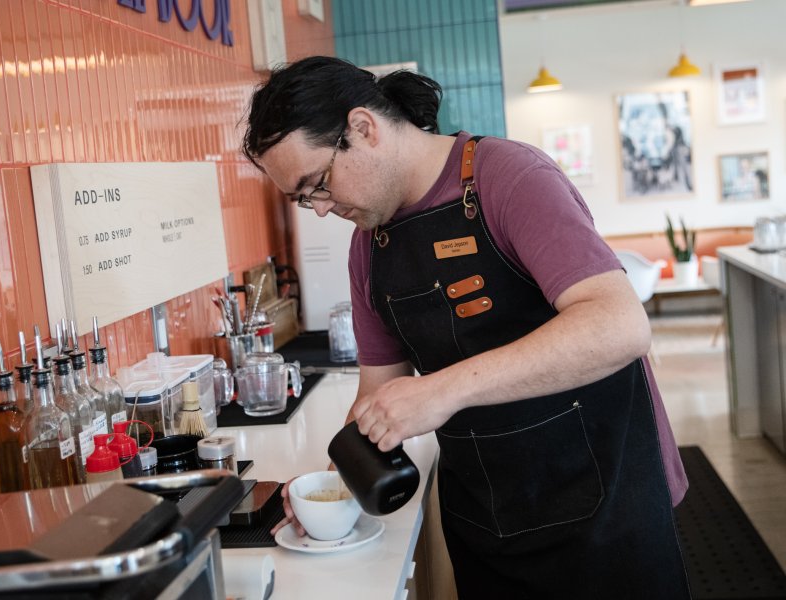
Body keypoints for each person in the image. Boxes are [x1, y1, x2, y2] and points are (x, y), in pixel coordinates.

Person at [242, 56, 691, 599]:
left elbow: (619, 323)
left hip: (607, 505)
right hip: (487, 520)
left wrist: (442, 389)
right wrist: (334, 487)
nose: (318, 210)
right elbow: (378, 395)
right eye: (301, 198)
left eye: (317, 184)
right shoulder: (369, 248)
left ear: (363, 128)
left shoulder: (511, 179)